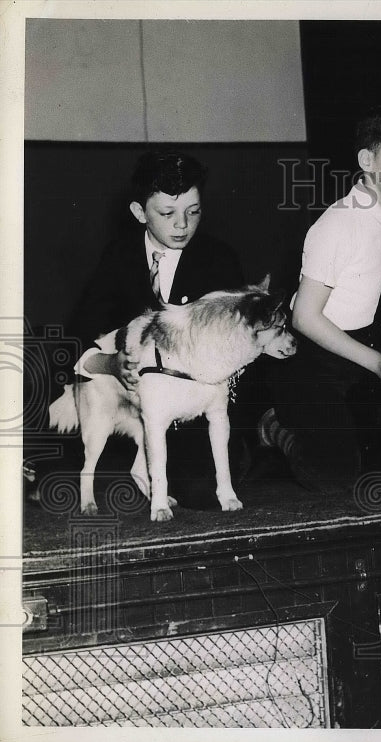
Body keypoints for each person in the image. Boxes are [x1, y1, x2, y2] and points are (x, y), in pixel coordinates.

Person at [263, 107, 381, 487]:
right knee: (335, 475)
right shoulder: (336, 224)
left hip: (373, 355)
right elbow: (305, 319)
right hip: (319, 358)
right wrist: (379, 364)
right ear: (367, 161)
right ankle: (275, 426)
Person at [66, 150, 246, 505]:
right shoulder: (118, 256)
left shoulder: (220, 261)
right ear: (139, 212)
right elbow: (82, 327)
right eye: (167, 214)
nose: (182, 225)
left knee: (199, 492)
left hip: (195, 405)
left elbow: (237, 352)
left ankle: (264, 438)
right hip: (127, 392)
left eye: (193, 212)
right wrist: (109, 364)